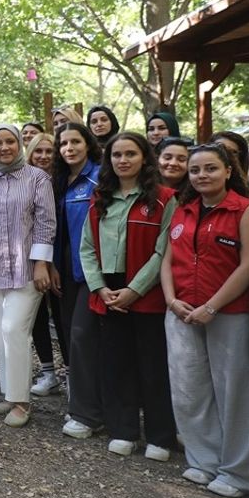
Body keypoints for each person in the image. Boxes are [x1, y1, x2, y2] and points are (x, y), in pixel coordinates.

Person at [160, 143, 249, 498]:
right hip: (182, 311)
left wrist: (211, 307)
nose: (202, 176)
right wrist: (171, 300)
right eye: (195, 170)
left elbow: (247, 266)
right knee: (189, 390)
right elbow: (167, 258)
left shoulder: (243, 210)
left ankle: (239, 472)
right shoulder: (183, 209)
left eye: (211, 168)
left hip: (228, 313)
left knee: (234, 393)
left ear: (228, 170)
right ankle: (204, 461)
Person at [80, 132, 177, 461]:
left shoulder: (164, 198)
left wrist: (135, 290)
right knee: (116, 364)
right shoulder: (100, 197)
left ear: (145, 158)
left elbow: (163, 251)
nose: (123, 160)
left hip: (145, 294)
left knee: (152, 366)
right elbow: (87, 248)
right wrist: (100, 287)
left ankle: (160, 436)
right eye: (116, 155)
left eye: (130, 154)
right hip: (108, 292)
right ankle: (123, 430)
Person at [0, 123, 56, 428]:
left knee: (14, 329)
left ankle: (22, 401)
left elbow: (45, 223)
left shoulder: (37, 179)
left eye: (10, 142)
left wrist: (42, 263)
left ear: (19, 144)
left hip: (25, 269)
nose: (4, 147)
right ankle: (8, 392)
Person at [52, 122, 104, 440]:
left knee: (84, 337)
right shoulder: (59, 181)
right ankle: (83, 404)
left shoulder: (100, 177)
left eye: (75, 142)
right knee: (72, 338)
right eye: (64, 143)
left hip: (93, 272)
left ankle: (88, 414)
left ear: (88, 144)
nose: (69, 148)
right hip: (64, 271)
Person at [25, 131, 62, 396]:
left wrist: (53, 263)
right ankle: (48, 372)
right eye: (39, 151)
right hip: (32, 259)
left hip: (62, 258)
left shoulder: (64, 182)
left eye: (49, 151)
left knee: (61, 318)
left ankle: (71, 372)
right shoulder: (24, 181)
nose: (44, 156)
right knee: (36, 317)